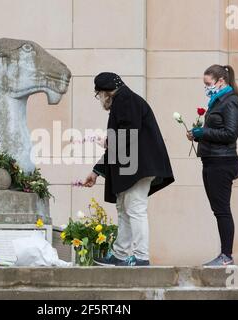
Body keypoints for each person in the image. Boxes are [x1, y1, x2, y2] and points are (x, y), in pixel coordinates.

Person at [83, 72, 174, 266]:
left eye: (99, 94)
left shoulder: (124, 100)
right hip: (134, 166)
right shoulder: (125, 100)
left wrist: (108, 141)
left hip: (138, 167)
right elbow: (121, 141)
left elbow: (127, 134)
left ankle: (141, 257)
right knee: (125, 209)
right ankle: (121, 254)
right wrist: (97, 171)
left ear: (105, 92)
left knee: (135, 209)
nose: (100, 99)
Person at [187, 64, 238, 266]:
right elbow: (217, 131)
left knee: (222, 210)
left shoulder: (230, 102)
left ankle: (226, 255)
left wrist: (204, 133)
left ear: (221, 81)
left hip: (222, 162)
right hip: (211, 160)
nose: (206, 88)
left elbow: (230, 134)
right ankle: (224, 255)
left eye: (208, 83)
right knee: (218, 209)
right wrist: (197, 135)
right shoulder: (217, 101)